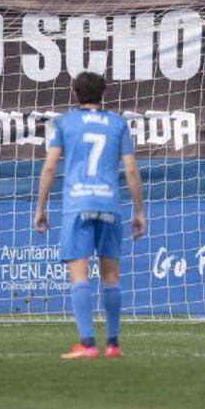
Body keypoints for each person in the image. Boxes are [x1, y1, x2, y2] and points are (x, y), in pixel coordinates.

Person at [34, 72, 145, 360]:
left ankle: (87, 343)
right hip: (109, 203)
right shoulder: (117, 123)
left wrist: (40, 208)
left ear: (74, 92)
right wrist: (139, 211)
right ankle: (112, 344)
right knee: (111, 276)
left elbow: (49, 168)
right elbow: (131, 170)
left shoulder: (65, 122)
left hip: (77, 204)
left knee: (79, 274)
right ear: (104, 92)